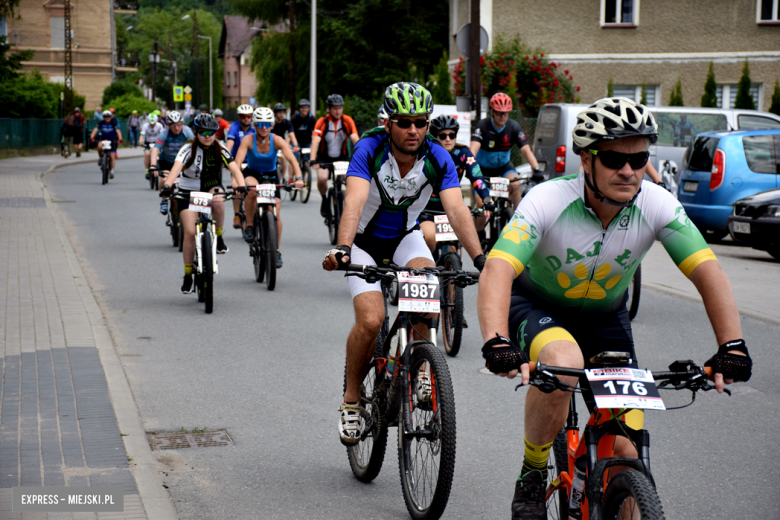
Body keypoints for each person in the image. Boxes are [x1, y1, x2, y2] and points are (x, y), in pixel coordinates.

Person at [476, 97, 752, 519]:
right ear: (587, 160)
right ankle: (532, 473)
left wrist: (731, 344)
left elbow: (707, 272)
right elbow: (497, 268)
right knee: (564, 362)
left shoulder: (656, 204)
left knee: (626, 454)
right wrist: (496, 340)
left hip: (606, 318)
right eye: (614, 158)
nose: (628, 170)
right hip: (536, 305)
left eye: (639, 158)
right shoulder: (547, 200)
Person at [322, 82, 487, 446]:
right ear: (388, 124)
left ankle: (423, 368)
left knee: (426, 286)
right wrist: (343, 247)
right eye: (404, 122)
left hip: (404, 236)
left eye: (420, 122)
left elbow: (457, 209)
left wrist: (480, 259)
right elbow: (355, 201)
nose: (413, 130)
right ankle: (351, 399)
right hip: (363, 241)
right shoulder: (369, 150)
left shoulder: (438, 157)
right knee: (371, 318)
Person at [159, 114, 247, 294]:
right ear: (196, 133)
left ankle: (219, 237)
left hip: (210, 186)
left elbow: (234, 167)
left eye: (211, 132)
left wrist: (242, 185)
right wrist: (168, 185)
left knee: (219, 202)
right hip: (187, 191)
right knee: (190, 233)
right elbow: (176, 168)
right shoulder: (187, 148)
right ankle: (188, 275)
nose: (208, 136)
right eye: (203, 132)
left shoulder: (219, 147)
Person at [234, 107, 303, 268]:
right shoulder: (248, 140)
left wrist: (298, 178)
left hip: (271, 176)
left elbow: (293, 160)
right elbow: (236, 164)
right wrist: (236, 181)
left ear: (271, 125)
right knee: (251, 190)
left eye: (267, 124)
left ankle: (276, 250)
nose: (264, 127)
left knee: (276, 214)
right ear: (255, 125)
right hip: (252, 173)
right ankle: (250, 226)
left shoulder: (277, 139)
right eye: (260, 124)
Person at [420, 114, 493, 253]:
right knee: (429, 238)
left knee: (453, 250)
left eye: (452, 135)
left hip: (452, 208)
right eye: (442, 136)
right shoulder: (425, 153)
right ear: (435, 137)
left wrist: (486, 197)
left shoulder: (463, 153)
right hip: (426, 209)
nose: (448, 139)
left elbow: (476, 176)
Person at [470, 93, 540, 213]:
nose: (503, 116)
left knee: (516, 184)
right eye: (499, 113)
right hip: (483, 169)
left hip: (503, 167)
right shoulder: (483, 126)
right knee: (481, 202)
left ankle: (516, 220)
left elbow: (525, 150)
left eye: (506, 113)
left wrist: (536, 168)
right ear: (492, 112)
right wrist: (469, 166)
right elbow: (473, 150)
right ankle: (480, 232)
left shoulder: (513, 127)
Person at [309, 94, 360, 218]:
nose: (338, 111)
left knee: (350, 179)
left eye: (340, 108)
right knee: (322, 178)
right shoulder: (322, 122)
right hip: (324, 157)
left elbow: (355, 139)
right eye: (335, 108)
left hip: (342, 156)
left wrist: (361, 157)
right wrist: (312, 160)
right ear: (329, 109)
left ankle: (349, 204)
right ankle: (324, 199)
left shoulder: (347, 120)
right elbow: (315, 141)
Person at [150, 111, 194, 214]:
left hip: (183, 163)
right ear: (168, 125)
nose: (177, 128)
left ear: (182, 123)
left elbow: (195, 146)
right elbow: (156, 150)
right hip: (167, 162)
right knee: (165, 180)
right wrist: (153, 165)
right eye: (173, 125)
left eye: (179, 125)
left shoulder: (187, 131)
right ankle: (164, 199)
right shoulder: (164, 133)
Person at [226, 104, 256, 229]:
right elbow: (230, 144)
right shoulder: (234, 127)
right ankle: (237, 214)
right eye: (243, 116)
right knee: (236, 187)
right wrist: (226, 157)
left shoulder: (256, 128)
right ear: (239, 117)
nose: (246, 118)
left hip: (252, 162)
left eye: (248, 116)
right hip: (236, 162)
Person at [90, 110, 122, 178]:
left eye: (109, 117)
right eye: (106, 117)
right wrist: (92, 137)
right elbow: (95, 129)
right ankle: (100, 157)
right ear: (103, 118)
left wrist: (119, 138)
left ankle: (112, 170)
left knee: (112, 156)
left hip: (111, 141)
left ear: (111, 117)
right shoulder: (101, 123)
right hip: (103, 140)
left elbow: (118, 131)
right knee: (99, 145)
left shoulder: (113, 124)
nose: (107, 118)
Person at [271, 103, 299, 182]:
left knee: (283, 157)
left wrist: (295, 145)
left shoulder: (286, 122)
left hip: (281, 144)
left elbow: (291, 134)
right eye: (279, 112)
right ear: (275, 113)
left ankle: (283, 177)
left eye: (283, 112)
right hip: (271, 144)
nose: (281, 114)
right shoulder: (272, 123)